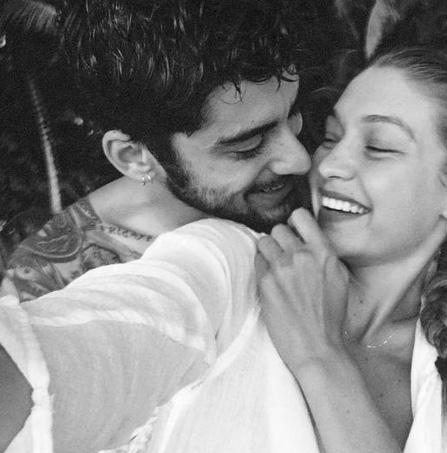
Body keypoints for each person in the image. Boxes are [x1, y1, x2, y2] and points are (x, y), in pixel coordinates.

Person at [0, 47, 447, 453]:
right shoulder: (235, 261)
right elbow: (99, 344)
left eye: (379, 146)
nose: (325, 163)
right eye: (332, 136)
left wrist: (321, 360)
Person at [1, 0, 316, 301]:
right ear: (133, 158)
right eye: (248, 145)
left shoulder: (328, 170)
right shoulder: (50, 289)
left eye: (293, 114)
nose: (300, 160)